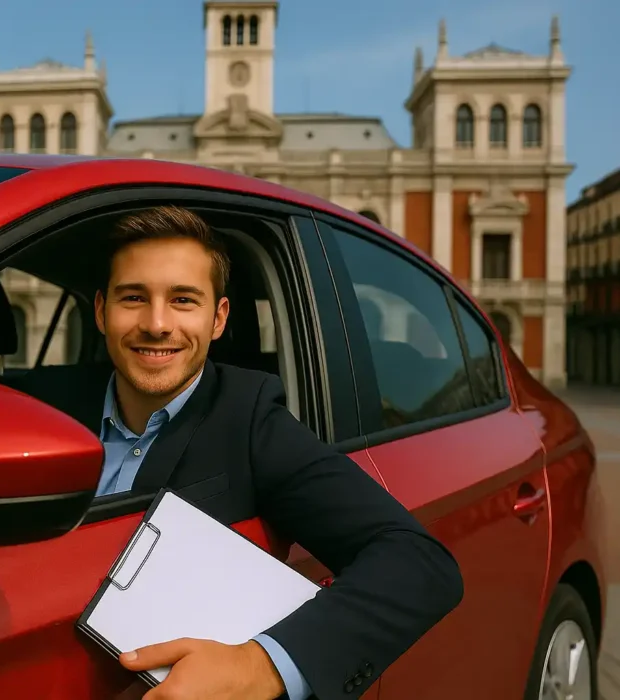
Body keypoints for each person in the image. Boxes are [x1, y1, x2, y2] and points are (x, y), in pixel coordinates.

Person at [24, 205, 464, 700]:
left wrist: (261, 667)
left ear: (218, 318)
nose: (157, 323)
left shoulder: (249, 416)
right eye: (134, 298)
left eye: (184, 300)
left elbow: (420, 564)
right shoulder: (37, 406)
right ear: (101, 311)